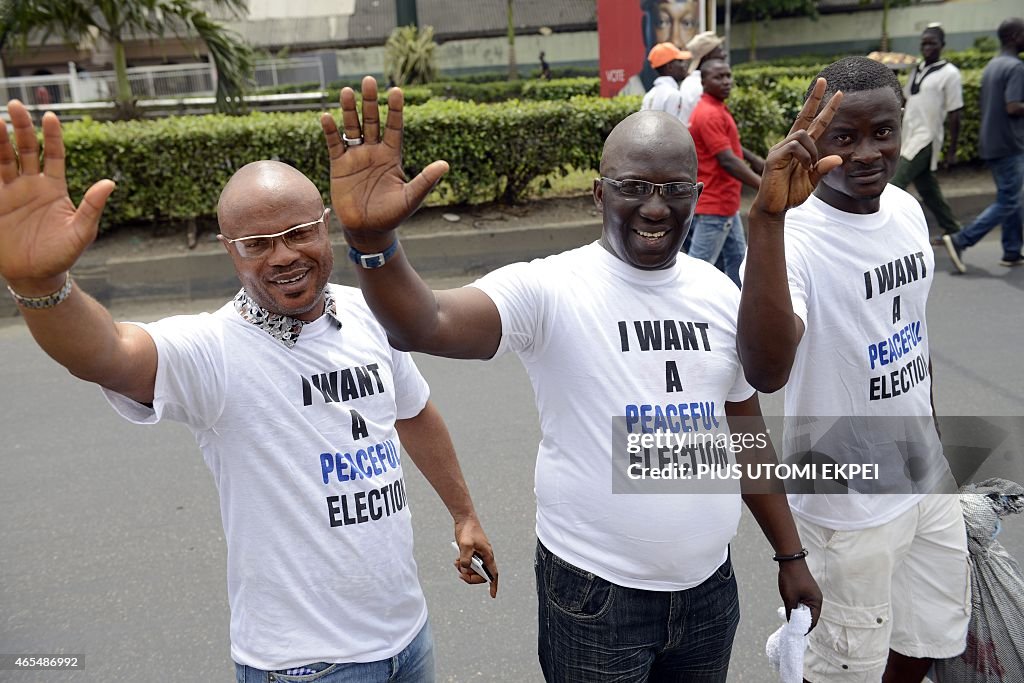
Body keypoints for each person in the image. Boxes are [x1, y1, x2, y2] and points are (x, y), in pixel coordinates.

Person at [319, 76, 821, 683]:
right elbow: (426, 323)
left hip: (709, 594)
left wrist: (790, 554)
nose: (655, 207)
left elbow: (745, 431)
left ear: (697, 192)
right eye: (633, 188)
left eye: (674, 190)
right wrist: (374, 244)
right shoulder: (551, 288)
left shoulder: (717, 292)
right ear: (598, 193)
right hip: (595, 601)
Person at [0, 100, 499, 681]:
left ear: (324, 225)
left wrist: (464, 515)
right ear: (228, 250)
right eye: (257, 243)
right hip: (303, 665)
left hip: (408, 639)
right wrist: (41, 284)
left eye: (297, 233)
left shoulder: (368, 313)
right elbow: (105, 353)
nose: (283, 256)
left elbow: (411, 411)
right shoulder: (213, 351)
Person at [738, 57, 971, 683]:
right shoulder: (796, 238)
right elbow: (765, 370)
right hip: (846, 503)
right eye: (845, 137)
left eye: (884, 132)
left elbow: (912, 345)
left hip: (925, 480)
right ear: (816, 141)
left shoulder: (905, 210)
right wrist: (766, 222)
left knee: (928, 638)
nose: (868, 152)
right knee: (844, 666)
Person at [942, 17, 1024, 271]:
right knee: (1009, 199)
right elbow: (1013, 106)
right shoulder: (1016, 68)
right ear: (1015, 37)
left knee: (1010, 197)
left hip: (992, 143)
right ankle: (960, 240)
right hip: (1010, 143)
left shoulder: (992, 65)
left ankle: (1012, 251)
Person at [686, 58, 764, 287]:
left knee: (738, 266)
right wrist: (765, 185)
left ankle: (738, 314)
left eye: (728, 75)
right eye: (718, 77)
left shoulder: (714, 108)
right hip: (715, 206)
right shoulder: (710, 114)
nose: (726, 81)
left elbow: (728, 146)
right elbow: (727, 160)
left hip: (725, 204)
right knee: (698, 270)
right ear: (704, 81)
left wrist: (756, 161)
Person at [891, 25, 963, 244]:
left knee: (893, 185)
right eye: (924, 43)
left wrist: (951, 150)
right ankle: (953, 230)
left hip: (926, 139)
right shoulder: (917, 69)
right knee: (927, 188)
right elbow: (905, 101)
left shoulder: (950, 74)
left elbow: (955, 114)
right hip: (909, 136)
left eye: (932, 43)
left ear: (942, 45)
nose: (927, 47)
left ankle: (894, 236)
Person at [619, 0, 701, 96]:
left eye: (687, 23)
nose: (675, 41)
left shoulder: (694, 88)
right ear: (645, 28)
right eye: (662, 22)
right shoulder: (630, 94)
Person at [679, 30, 726, 126]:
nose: (723, 54)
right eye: (719, 50)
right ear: (708, 55)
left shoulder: (690, 81)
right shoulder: (701, 85)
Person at [640, 42, 692, 121]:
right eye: (680, 61)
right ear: (670, 67)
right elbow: (675, 129)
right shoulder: (673, 95)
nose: (684, 65)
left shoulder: (649, 95)